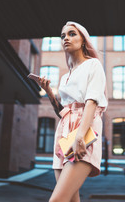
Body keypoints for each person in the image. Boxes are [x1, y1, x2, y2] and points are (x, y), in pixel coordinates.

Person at [36, 21, 108, 202]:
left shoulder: (93, 65)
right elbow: (62, 112)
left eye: (72, 34)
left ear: (83, 40)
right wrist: (49, 92)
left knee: (57, 200)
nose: (66, 38)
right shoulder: (65, 77)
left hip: (83, 132)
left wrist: (80, 137)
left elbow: (91, 102)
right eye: (63, 36)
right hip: (64, 134)